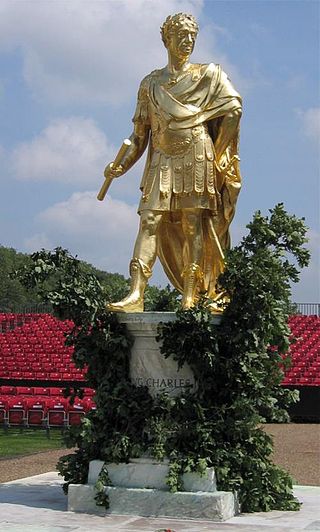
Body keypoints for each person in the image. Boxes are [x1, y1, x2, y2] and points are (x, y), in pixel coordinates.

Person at [104, 13, 242, 312]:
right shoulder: (150, 84)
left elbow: (233, 110)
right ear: (166, 38)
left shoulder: (210, 75)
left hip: (197, 155)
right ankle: (136, 293)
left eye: (192, 35)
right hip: (162, 158)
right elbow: (139, 135)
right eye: (181, 34)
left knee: (193, 224)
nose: (188, 40)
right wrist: (121, 165)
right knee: (149, 219)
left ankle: (191, 295)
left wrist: (217, 156)